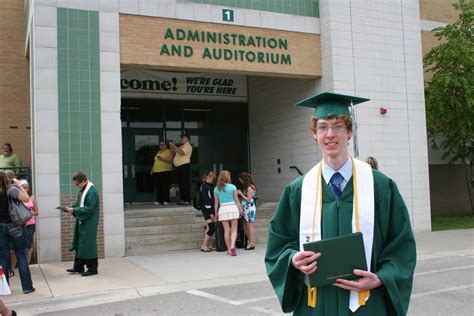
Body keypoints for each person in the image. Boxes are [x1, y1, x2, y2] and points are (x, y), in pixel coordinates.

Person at [265, 92, 416, 315]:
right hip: (315, 305)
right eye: (323, 127)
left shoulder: (380, 186)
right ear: (314, 135)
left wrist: (381, 279)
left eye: (337, 126)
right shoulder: (298, 191)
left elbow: (402, 245)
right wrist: (292, 259)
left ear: (349, 132)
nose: (330, 134)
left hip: (366, 303)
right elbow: (279, 245)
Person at [0, 171, 35, 294]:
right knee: (21, 254)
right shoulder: (12, 190)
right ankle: (27, 287)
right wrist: (19, 185)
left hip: (0, 227)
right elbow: (26, 199)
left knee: (3, 257)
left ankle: (5, 288)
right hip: (15, 225)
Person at [64, 171, 100, 277]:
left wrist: (74, 210)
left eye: (77, 184)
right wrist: (70, 207)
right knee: (81, 244)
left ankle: (92, 269)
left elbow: (89, 209)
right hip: (83, 221)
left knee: (88, 245)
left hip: (89, 222)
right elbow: (79, 203)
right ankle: (78, 266)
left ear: (84, 181)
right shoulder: (83, 190)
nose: (76, 186)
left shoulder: (92, 192)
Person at [9, 179, 38, 274]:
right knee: (14, 248)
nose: (25, 189)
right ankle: (13, 268)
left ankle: (27, 267)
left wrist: (32, 213)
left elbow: (37, 212)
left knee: (28, 247)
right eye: (23, 187)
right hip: (20, 225)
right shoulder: (17, 197)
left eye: (27, 187)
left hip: (30, 224)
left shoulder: (32, 198)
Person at [214, 170, 243, 256]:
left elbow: (216, 203)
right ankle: (232, 247)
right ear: (228, 177)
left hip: (223, 209)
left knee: (226, 230)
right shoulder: (233, 187)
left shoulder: (216, 188)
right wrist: (240, 209)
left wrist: (216, 214)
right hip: (232, 207)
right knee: (234, 230)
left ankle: (229, 250)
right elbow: (236, 200)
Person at [170, 133, 193, 205]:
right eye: (182, 138)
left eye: (183, 138)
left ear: (187, 139)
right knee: (181, 184)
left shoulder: (188, 146)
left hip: (184, 166)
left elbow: (181, 152)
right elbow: (174, 152)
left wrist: (173, 145)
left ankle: (188, 200)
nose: (182, 139)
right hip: (179, 167)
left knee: (185, 183)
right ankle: (183, 199)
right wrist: (171, 145)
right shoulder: (181, 146)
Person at [237, 172, 257, 250]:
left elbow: (249, 200)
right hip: (247, 208)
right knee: (245, 225)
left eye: (241, 180)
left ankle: (251, 242)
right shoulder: (249, 187)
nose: (240, 182)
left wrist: (241, 194)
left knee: (249, 225)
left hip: (249, 208)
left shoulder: (249, 187)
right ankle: (250, 241)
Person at [151, 141, 174, 206]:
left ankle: (166, 200)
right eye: (160, 145)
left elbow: (170, 161)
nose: (161, 146)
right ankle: (159, 200)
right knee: (158, 187)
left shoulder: (169, 151)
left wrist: (162, 159)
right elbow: (156, 161)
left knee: (165, 186)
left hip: (165, 171)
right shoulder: (158, 152)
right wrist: (152, 169)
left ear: (166, 146)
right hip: (157, 171)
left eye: (163, 145)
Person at [199, 170, 216, 252]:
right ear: (207, 177)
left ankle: (207, 245)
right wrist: (211, 213)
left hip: (207, 209)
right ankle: (204, 245)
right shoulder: (205, 186)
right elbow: (207, 201)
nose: (213, 179)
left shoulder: (207, 185)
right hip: (207, 210)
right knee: (211, 227)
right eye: (212, 177)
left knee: (209, 227)